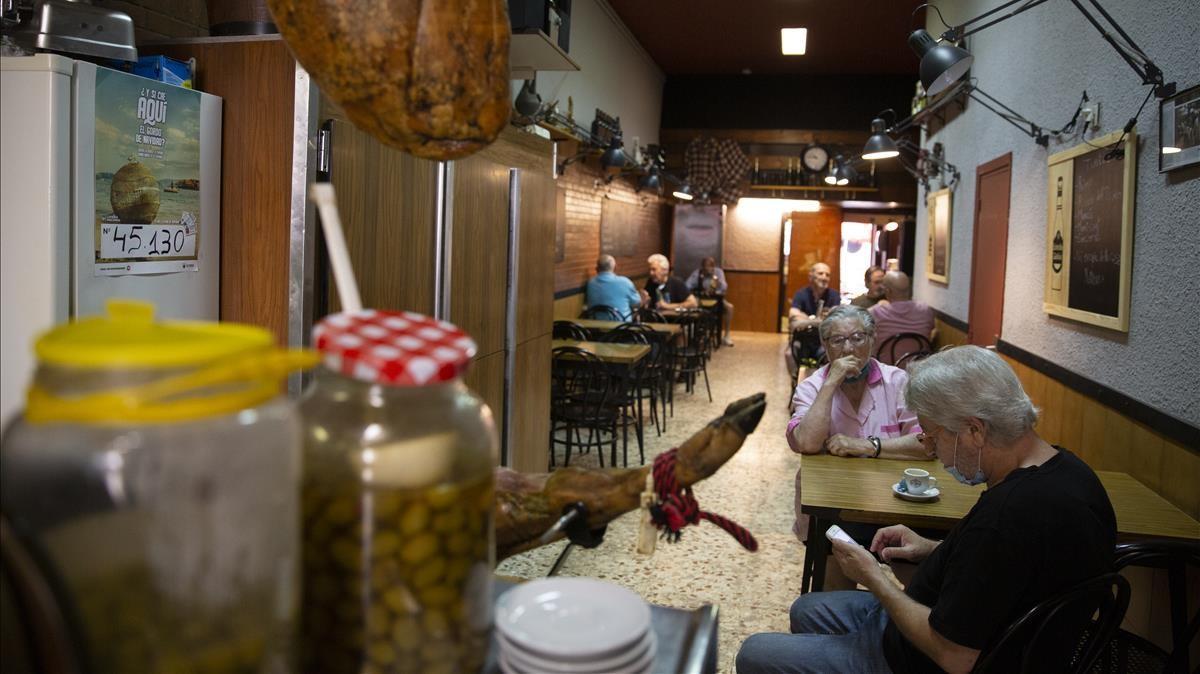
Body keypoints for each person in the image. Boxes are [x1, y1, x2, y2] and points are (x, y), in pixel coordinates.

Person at [738, 346, 1117, 674]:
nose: (932, 449)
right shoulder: (1069, 471)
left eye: (934, 436)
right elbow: (1008, 568)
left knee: (755, 653)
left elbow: (953, 656)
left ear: (974, 430)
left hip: (920, 657)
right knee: (808, 609)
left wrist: (875, 579)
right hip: (952, 619)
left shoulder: (1009, 516)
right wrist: (931, 549)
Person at [786, 306, 929, 548]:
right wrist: (831, 382)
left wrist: (868, 445)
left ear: (872, 339)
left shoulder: (897, 381)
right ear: (825, 344)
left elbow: (926, 444)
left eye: (857, 338)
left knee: (917, 570)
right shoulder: (811, 387)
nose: (848, 348)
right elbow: (807, 443)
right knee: (836, 566)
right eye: (837, 340)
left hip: (894, 500)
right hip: (833, 502)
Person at [785, 262, 841, 377]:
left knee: (835, 354)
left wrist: (804, 319)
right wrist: (818, 320)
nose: (824, 277)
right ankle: (796, 384)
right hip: (802, 339)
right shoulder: (801, 294)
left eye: (827, 275)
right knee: (789, 353)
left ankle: (824, 385)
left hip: (824, 341)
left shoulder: (834, 295)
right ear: (811, 276)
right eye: (820, 273)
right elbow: (793, 318)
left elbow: (835, 318)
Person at [870, 271, 935, 357]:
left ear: (888, 291)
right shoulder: (926, 310)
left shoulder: (875, 312)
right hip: (919, 367)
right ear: (909, 289)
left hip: (888, 368)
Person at [686, 256, 735, 346]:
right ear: (702, 266)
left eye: (710, 266)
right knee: (692, 305)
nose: (707, 268)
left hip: (717, 299)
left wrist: (715, 280)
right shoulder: (697, 273)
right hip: (700, 300)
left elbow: (724, 287)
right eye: (705, 266)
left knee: (729, 308)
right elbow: (687, 286)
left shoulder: (718, 272)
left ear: (713, 266)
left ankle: (726, 336)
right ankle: (696, 335)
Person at [584, 254, 641, 321]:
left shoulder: (591, 283)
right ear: (615, 267)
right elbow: (636, 303)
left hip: (595, 327)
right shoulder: (625, 282)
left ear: (597, 269)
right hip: (620, 328)